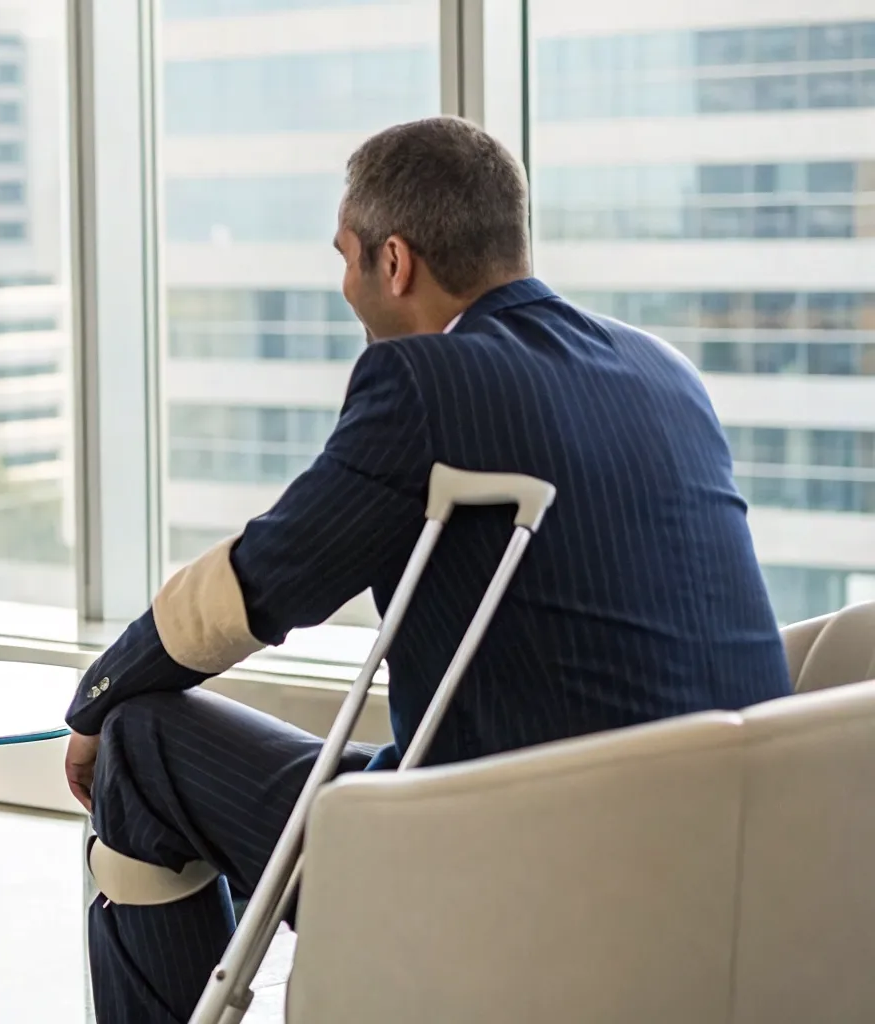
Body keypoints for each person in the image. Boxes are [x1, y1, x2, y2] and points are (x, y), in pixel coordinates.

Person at [64, 116, 792, 1023]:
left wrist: (95, 702)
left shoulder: (422, 379)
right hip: (727, 871)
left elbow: (262, 582)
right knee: (362, 770)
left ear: (394, 262)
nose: (344, 284)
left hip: (502, 863)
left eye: (346, 257)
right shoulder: (666, 373)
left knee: (141, 745)